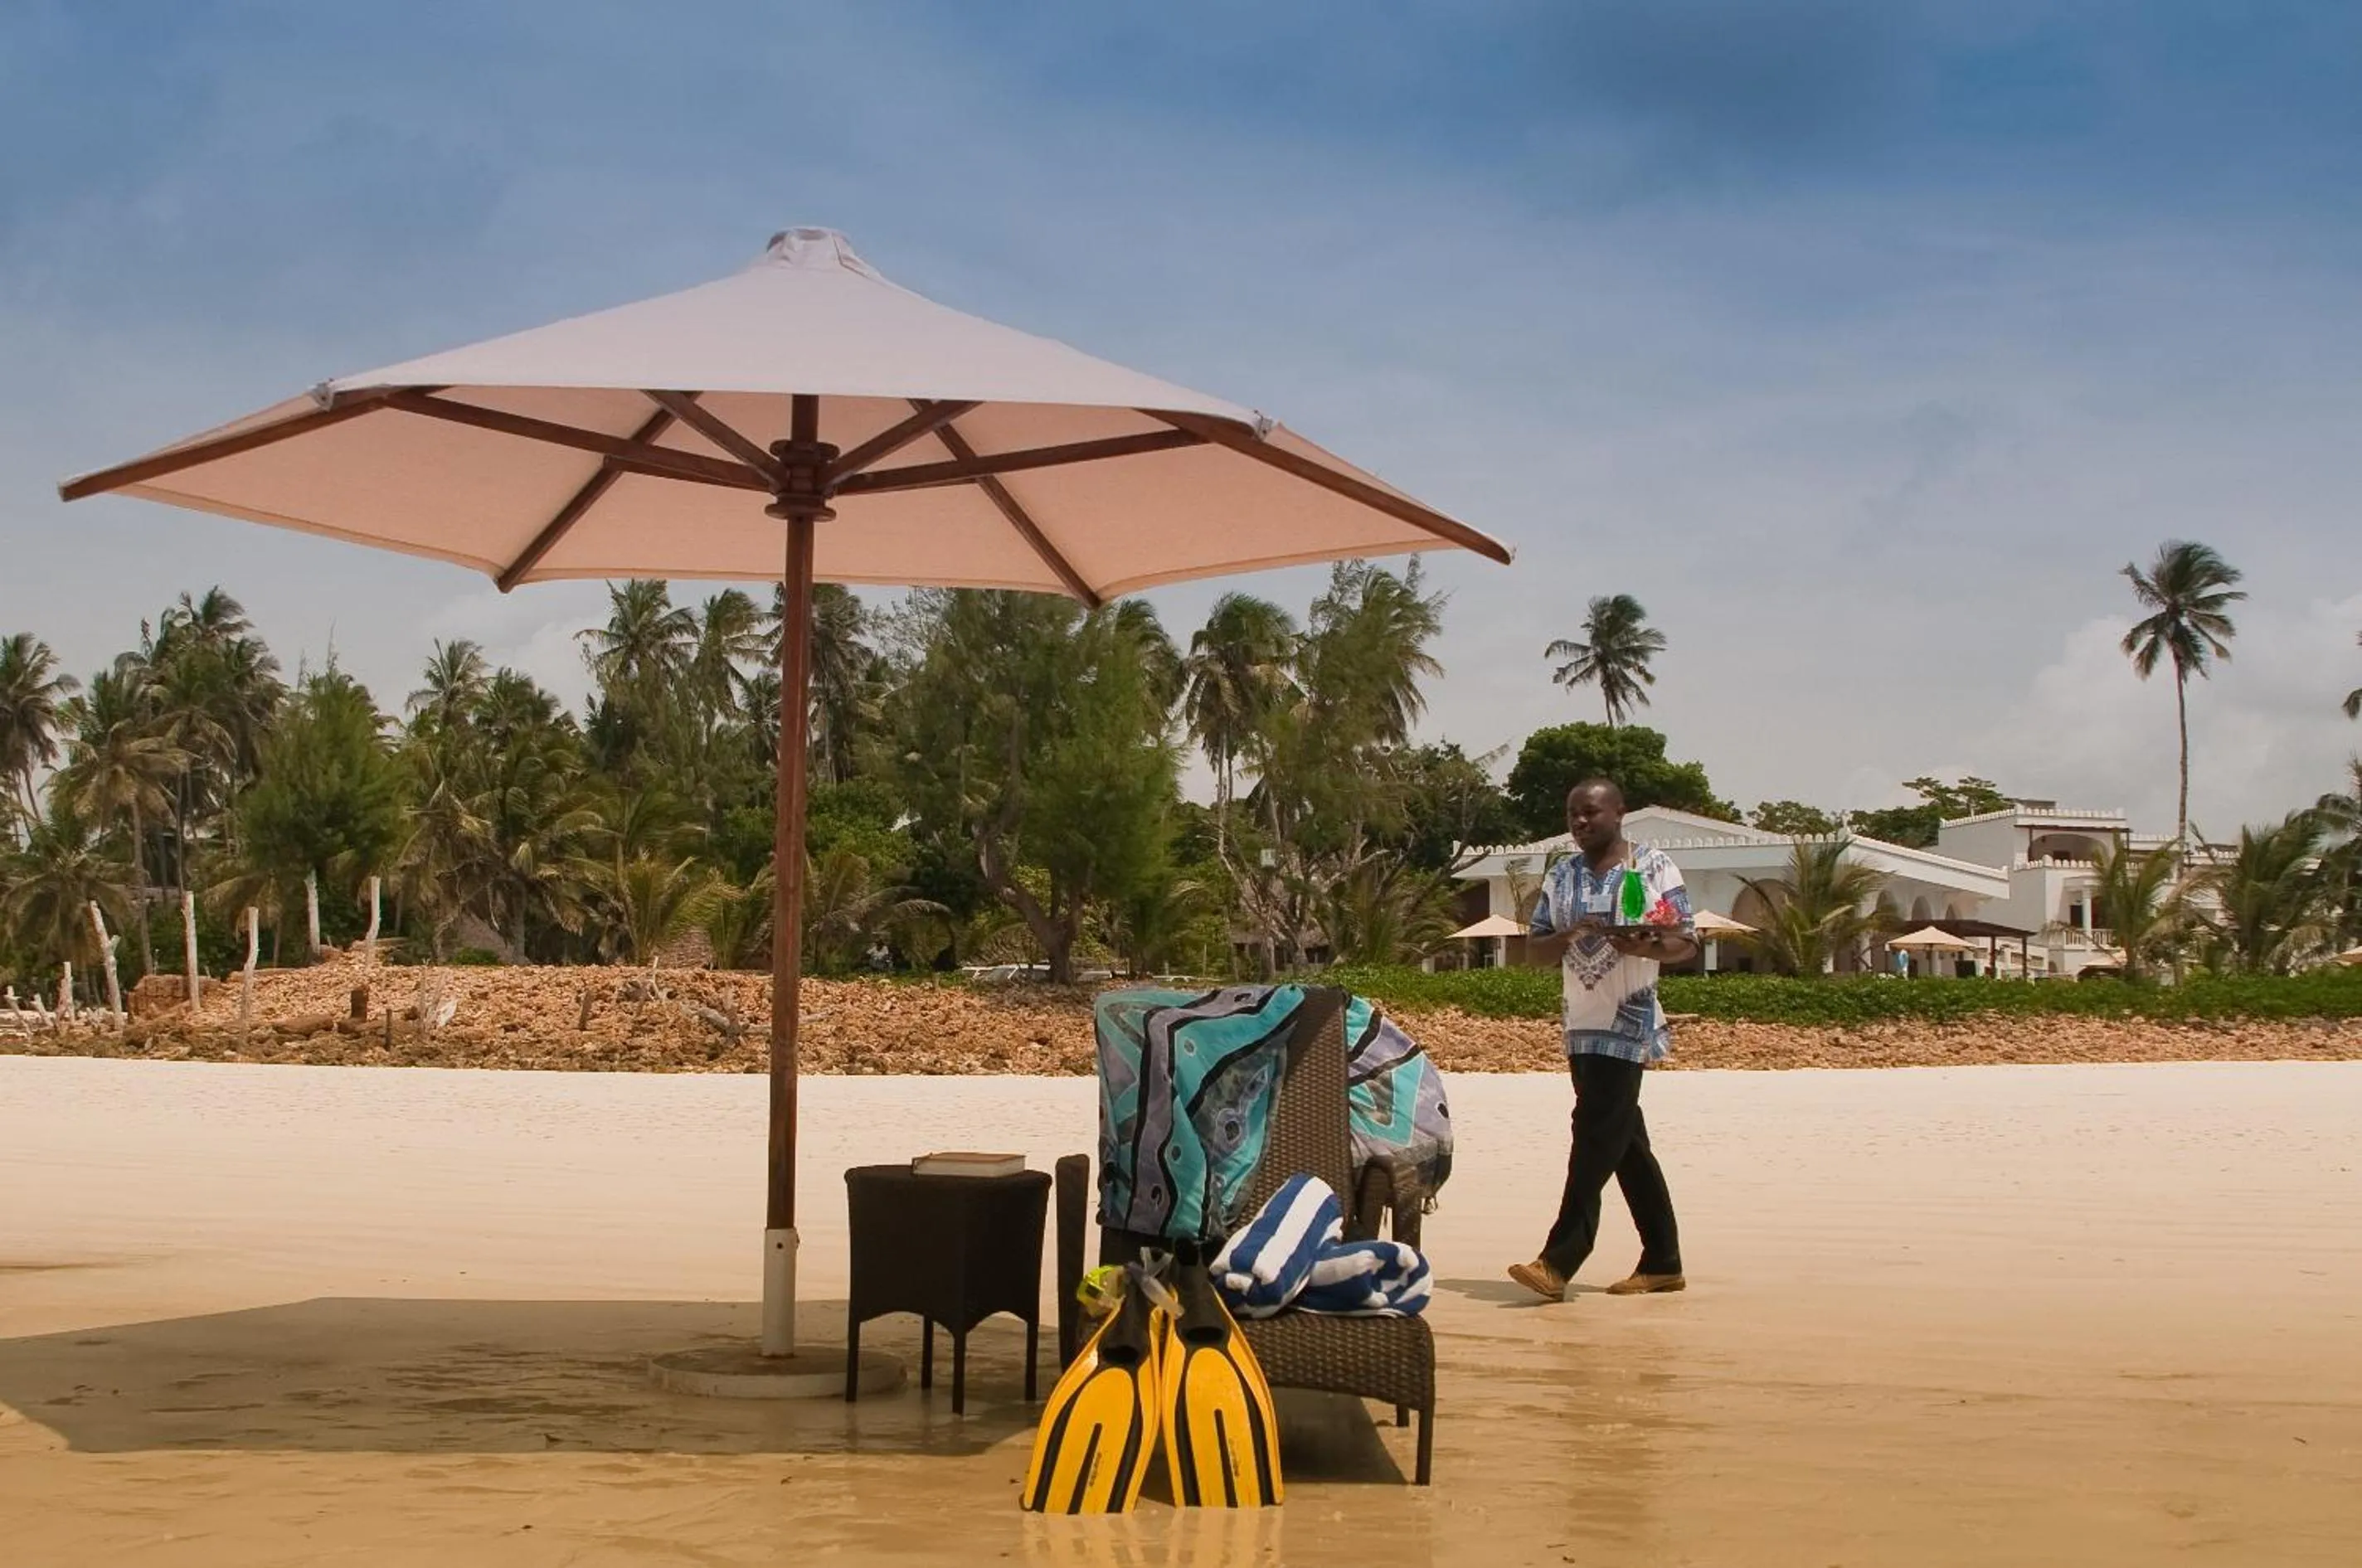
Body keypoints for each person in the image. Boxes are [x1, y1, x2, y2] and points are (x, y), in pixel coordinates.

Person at [1507, 779, 1699, 1302]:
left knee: (1593, 1132)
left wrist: (1651, 942)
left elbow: (1686, 942)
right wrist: (1568, 936)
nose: (1580, 822)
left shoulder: (1654, 868)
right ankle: (1663, 1260)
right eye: (1572, 814)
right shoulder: (1561, 875)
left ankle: (1558, 1260)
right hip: (1581, 1024)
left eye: (1590, 812)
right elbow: (1534, 951)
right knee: (1625, 1143)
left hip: (1629, 1018)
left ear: (1619, 813)